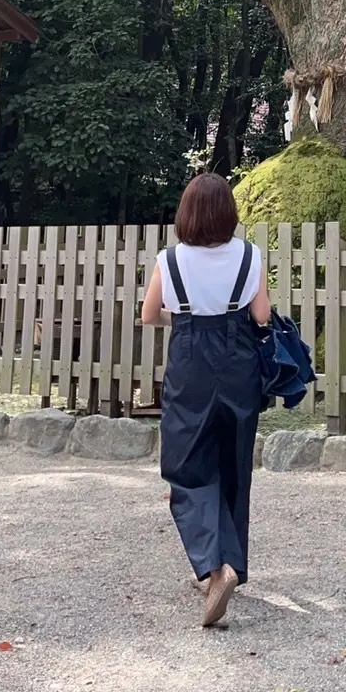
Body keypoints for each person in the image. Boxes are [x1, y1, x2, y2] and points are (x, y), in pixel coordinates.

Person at [141, 170, 272, 628]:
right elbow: (262, 316)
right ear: (228, 214)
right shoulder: (250, 256)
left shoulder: (171, 259)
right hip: (239, 364)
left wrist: (183, 318)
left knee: (186, 463)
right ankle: (231, 562)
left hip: (191, 361)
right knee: (234, 463)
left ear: (187, 214)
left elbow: (148, 313)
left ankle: (215, 568)